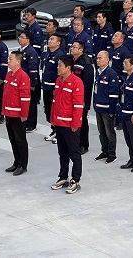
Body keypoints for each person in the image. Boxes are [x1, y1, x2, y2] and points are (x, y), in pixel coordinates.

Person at [50, 55, 85, 194]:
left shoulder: (76, 82)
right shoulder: (59, 80)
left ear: (68, 67)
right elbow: (55, 101)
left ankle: (75, 180)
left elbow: (78, 105)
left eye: (60, 65)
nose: (58, 68)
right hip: (59, 123)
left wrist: (75, 123)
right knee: (62, 153)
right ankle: (63, 177)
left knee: (74, 153)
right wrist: (53, 118)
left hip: (70, 125)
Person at [2, 51, 31, 176]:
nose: (8, 61)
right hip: (8, 113)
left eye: (11, 59)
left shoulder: (23, 77)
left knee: (20, 140)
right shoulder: (9, 75)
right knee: (12, 139)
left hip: (17, 115)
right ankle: (16, 161)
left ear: (18, 62)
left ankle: (22, 165)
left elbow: (25, 98)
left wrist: (24, 114)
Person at [93, 51, 120, 163]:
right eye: (97, 58)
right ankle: (104, 151)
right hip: (98, 107)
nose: (98, 60)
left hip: (107, 109)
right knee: (102, 132)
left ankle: (112, 154)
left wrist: (112, 111)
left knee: (110, 133)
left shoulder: (111, 74)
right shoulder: (98, 72)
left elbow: (114, 95)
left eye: (100, 58)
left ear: (107, 59)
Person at [71, 40, 94, 154]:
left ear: (81, 50)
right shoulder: (72, 60)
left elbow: (88, 84)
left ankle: (84, 144)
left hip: (81, 98)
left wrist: (83, 100)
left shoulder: (85, 62)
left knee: (82, 121)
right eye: (72, 46)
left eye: (74, 47)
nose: (71, 48)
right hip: (71, 96)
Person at [41, 34, 64, 144]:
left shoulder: (59, 56)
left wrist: (57, 88)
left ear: (58, 43)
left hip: (54, 88)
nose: (49, 41)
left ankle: (58, 132)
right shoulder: (47, 53)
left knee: (55, 110)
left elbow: (60, 74)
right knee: (48, 110)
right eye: (49, 39)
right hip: (46, 86)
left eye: (52, 39)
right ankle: (53, 130)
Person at [18, 31, 40, 132]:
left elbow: (33, 69)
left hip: (28, 81)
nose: (20, 39)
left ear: (28, 40)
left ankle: (32, 124)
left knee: (31, 104)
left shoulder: (31, 52)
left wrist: (32, 83)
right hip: (20, 81)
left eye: (22, 37)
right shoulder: (20, 50)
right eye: (20, 37)